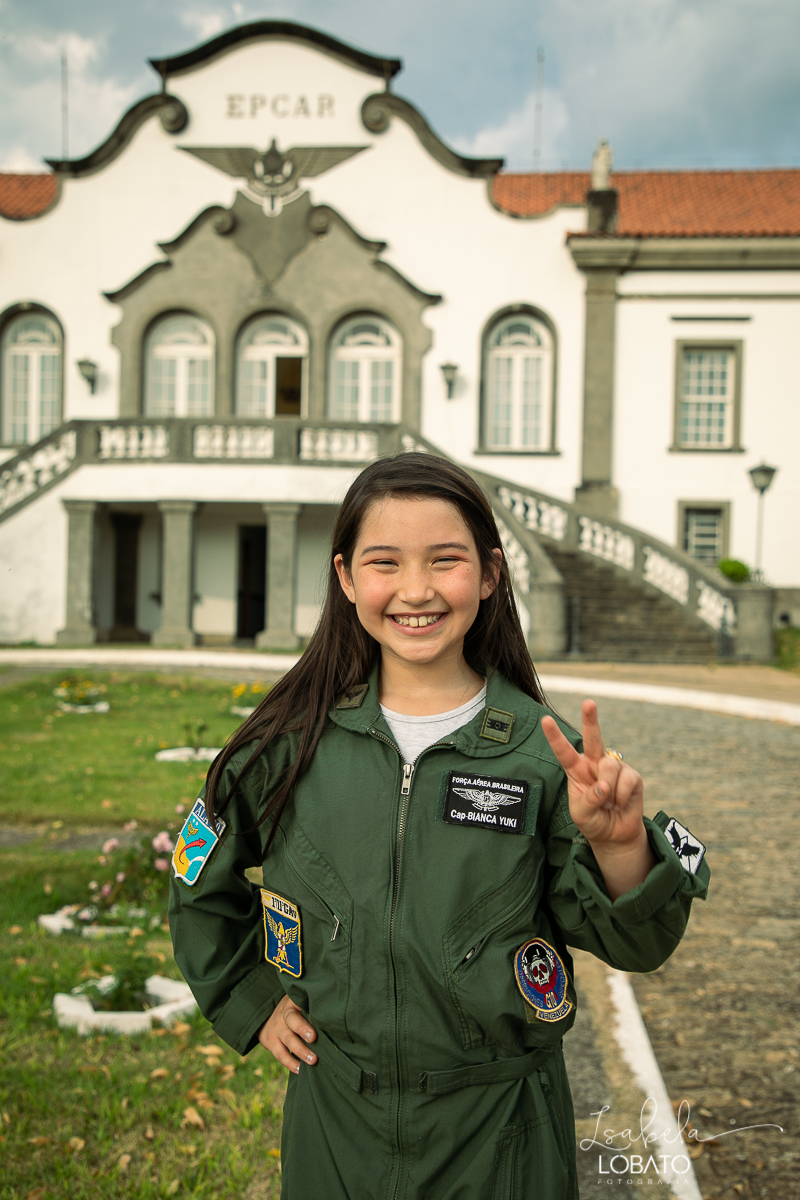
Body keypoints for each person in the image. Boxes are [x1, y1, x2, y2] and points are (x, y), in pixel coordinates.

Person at [169, 453, 709, 1199]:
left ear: (489, 575)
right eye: (384, 563)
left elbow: (638, 942)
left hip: (503, 1135)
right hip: (335, 1123)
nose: (416, 591)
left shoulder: (540, 752)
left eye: (445, 561)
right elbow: (200, 877)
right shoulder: (288, 743)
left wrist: (621, 846)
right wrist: (249, 1000)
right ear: (347, 578)